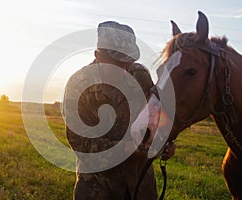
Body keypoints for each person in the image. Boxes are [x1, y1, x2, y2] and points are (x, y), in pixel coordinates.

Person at [63, 21, 174, 200]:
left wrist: (163, 142)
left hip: (140, 185)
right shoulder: (79, 86)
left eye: (128, 63)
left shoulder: (140, 75)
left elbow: (154, 117)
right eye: (116, 62)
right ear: (98, 55)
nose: (124, 70)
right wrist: (126, 149)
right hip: (98, 188)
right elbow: (80, 143)